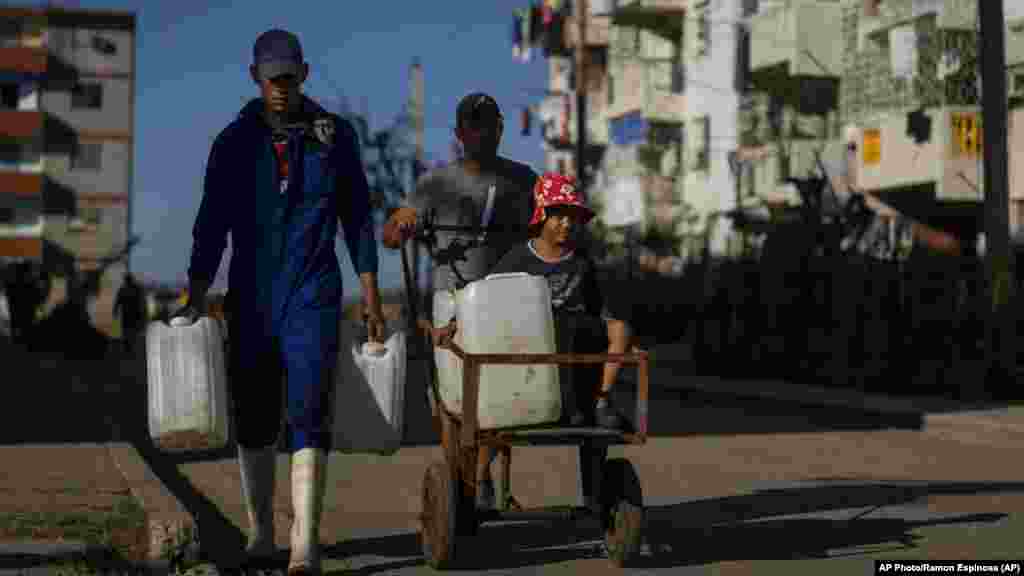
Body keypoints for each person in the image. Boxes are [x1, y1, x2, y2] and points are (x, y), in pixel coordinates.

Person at [175, 29, 385, 575]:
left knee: (309, 406)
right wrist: (197, 289)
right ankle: (262, 530)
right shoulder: (232, 141)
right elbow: (211, 222)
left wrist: (369, 291)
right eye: (272, 78)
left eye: (289, 77)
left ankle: (305, 542)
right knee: (254, 413)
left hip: (313, 292)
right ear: (255, 77)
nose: (281, 88)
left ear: (304, 74)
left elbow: (357, 216)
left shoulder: (334, 136)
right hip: (251, 294)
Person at [432, 172, 632, 507]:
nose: (566, 224)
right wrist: (455, 323)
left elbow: (602, 310)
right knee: (501, 419)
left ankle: (601, 400)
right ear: (542, 216)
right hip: (528, 361)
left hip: (574, 360)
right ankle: (479, 476)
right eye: (559, 216)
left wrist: (617, 334)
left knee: (618, 329)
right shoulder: (518, 259)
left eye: (573, 217)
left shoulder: (582, 264)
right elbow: (483, 300)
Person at [383, 92, 538, 510]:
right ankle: (463, 485)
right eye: (472, 126)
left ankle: (478, 478)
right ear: (458, 133)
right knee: (453, 403)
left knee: (508, 397)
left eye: (487, 125)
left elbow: (552, 225)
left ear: (500, 129)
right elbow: (394, 229)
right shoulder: (435, 183)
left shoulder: (523, 179)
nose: (480, 134)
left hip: (508, 303)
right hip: (451, 304)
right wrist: (402, 225)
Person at [113, 273, 145, 354]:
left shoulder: (124, 289)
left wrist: (115, 311)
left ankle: (128, 346)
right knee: (131, 331)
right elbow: (142, 301)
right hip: (132, 313)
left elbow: (117, 301)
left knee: (128, 331)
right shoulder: (135, 289)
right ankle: (129, 346)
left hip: (129, 313)